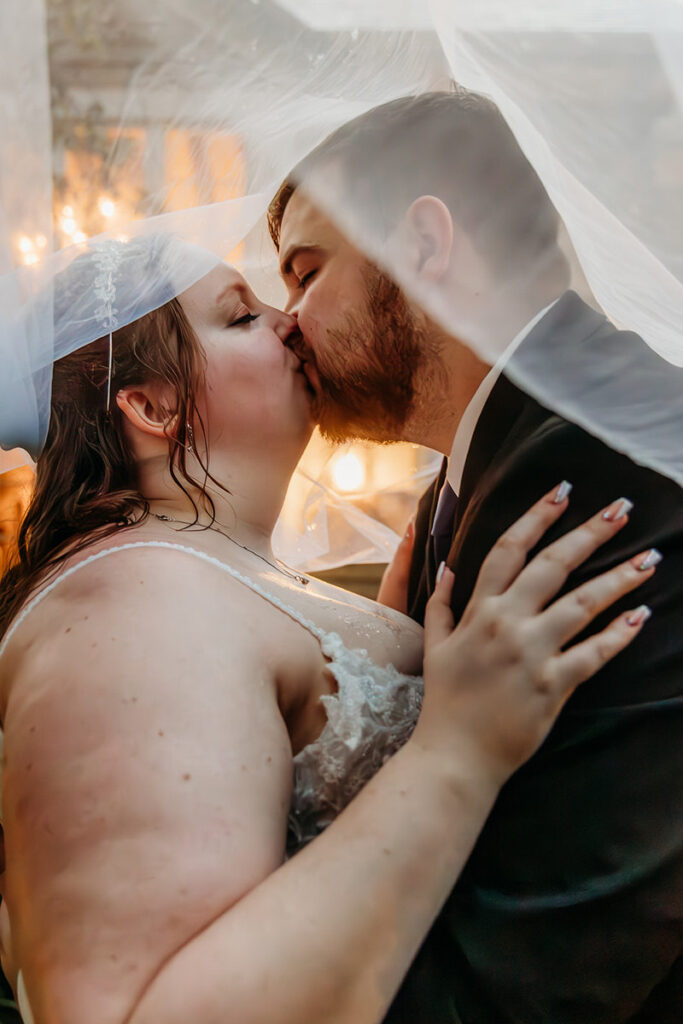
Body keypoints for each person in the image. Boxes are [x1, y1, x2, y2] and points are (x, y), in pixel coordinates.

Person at [0, 237, 656, 1024]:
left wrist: (391, 635)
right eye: (242, 315)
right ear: (152, 406)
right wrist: (458, 753)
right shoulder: (127, 602)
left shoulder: (197, 573)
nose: (290, 321)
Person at [268, 89, 683, 1021]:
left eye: (306, 270)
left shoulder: (606, 467)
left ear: (422, 242)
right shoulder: (479, 475)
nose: (286, 319)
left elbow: (567, 938)